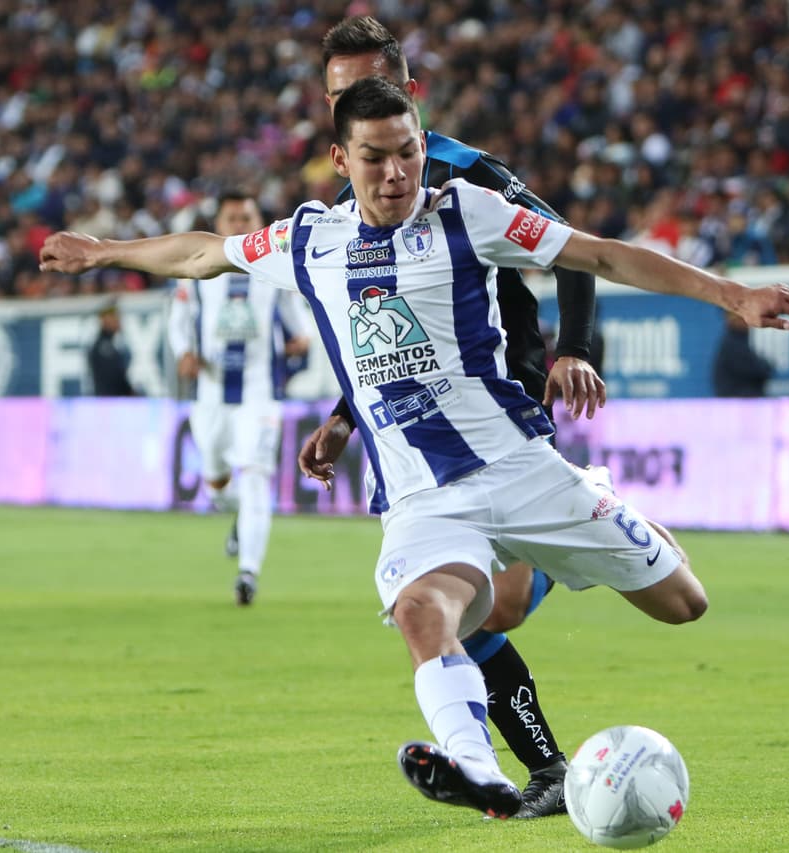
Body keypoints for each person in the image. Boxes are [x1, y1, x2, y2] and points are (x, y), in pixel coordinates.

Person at [38, 76, 789, 819]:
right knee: (422, 611)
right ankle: (477, 768)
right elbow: (202, 253)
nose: (396, 172)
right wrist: (105, 251)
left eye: (407, 150)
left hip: (520, 466)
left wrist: (732, 293)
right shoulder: (310, 239)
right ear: (341, 160)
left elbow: (602, 254)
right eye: (375, 157)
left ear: (422, 143)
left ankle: (605, 504)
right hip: (422, 495)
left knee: (685, 604)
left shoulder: (467, 213)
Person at [297, 16, 607, 817]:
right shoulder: (351, 197)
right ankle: (546, 770)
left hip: (505, 414)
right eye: (339, 95)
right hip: (426, 449)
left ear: (412, 93)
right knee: (460, 613)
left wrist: (573, 347)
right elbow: (387, 337)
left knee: (489, 607)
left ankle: (578, 531)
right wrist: (341, 418)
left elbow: (575, 249)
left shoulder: (474, 175)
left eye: (374, 89)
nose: (355, 103)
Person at [167, 192, 313, 605]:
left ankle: (248, 572)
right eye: (231, 217)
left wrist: (300, 338)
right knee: (215, 486)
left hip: (259, 394)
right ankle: (239, 519)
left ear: (257, 219)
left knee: (254, 477)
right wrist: (185, 354)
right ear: (218, 222)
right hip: (210, 394)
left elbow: (296, 319)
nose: (238, 224)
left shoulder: (274, 268)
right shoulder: (194, 269)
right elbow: (179, 320)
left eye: (245, 216)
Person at [712, 310, 773, 397]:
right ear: (729, 319)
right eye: (740, 318)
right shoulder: (732, 343)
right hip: (737, 403)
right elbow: (761, 370)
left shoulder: (740, 340)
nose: (745, 321)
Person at [87, 300, 135, 396]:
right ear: (104, 320)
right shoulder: (103, 348)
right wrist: (130, 392)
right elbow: (115, 378)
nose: (118, 320)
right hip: (110, 403)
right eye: (114, 316)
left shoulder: (109, 343)